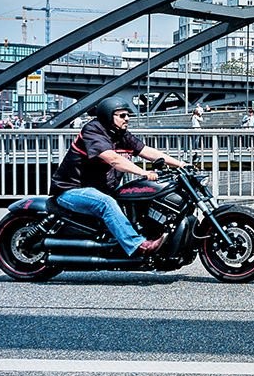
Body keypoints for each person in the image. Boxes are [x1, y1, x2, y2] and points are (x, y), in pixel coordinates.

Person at [49, 96, 187, 256]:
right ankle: (138, 245)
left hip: (101, 190)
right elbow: (113, 159)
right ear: (108, 116)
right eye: (122, 115)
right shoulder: (93, 131)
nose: (127, 118)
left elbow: (147, 151)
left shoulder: (121, 135)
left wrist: (180, 164)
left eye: (128, 115)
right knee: (106, 203)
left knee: (138, 197)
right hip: (71, 190)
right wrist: (143, 172)